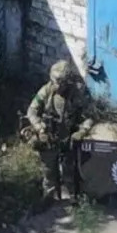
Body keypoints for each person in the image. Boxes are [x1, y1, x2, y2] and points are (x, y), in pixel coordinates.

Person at [26, 60, 96, 205]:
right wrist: (39, 126)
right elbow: (31, 111)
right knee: (49, 170)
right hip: (49, 137)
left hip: (69, 137)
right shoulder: (46, 91)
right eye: (55, 82)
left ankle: (71, 196)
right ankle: (49, 196)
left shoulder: (76, 94)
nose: (58, 86)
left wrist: (82, 131)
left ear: (68, 82)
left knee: (69, 169)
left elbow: (89, 116)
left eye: (61, 83)